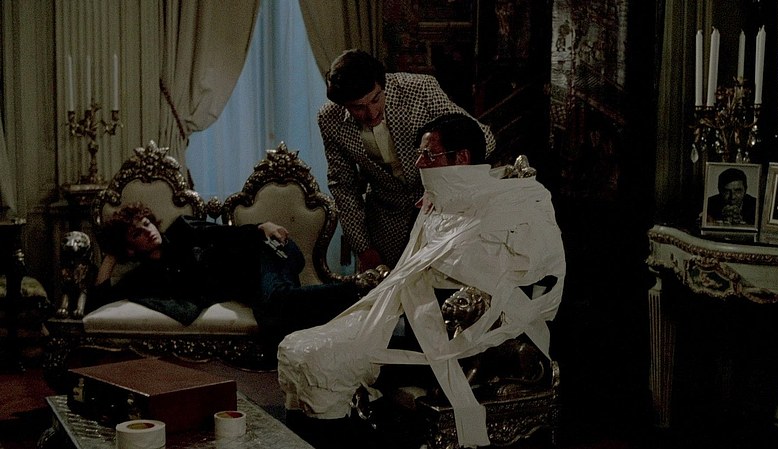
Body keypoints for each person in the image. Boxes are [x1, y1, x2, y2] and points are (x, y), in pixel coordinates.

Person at [279, 114, 565, 447]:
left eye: (429, 155)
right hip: (405, 310)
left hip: (446, 330)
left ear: (461, 158)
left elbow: (522, 287)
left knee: (321, 362)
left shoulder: (513, 205)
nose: (418, 164)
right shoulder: (443, 201)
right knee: (296, 349)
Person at [91, 203, 380, 346]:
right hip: (252, 281)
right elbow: (100, 300)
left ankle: (359, 287)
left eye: (146, 223)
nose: (147, 231)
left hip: (265, 249)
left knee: (277, 300)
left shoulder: (182, 230)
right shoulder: (145, 277)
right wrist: (111, 256)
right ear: (130, 248)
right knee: (274, 318)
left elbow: (223, 234)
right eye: (136, 233)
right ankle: (361, 295)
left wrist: (262, 226)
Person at [318, 49, 496, 272]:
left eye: (376, 99)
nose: (371, 113)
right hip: (386, 222)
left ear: (383, 85)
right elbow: (343, 186)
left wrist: (442, 184)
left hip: (445, 214)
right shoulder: (330, 119)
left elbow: (485, 139)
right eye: (358, 107)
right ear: (344, 104)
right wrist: (363, 248)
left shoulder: (420, 90)